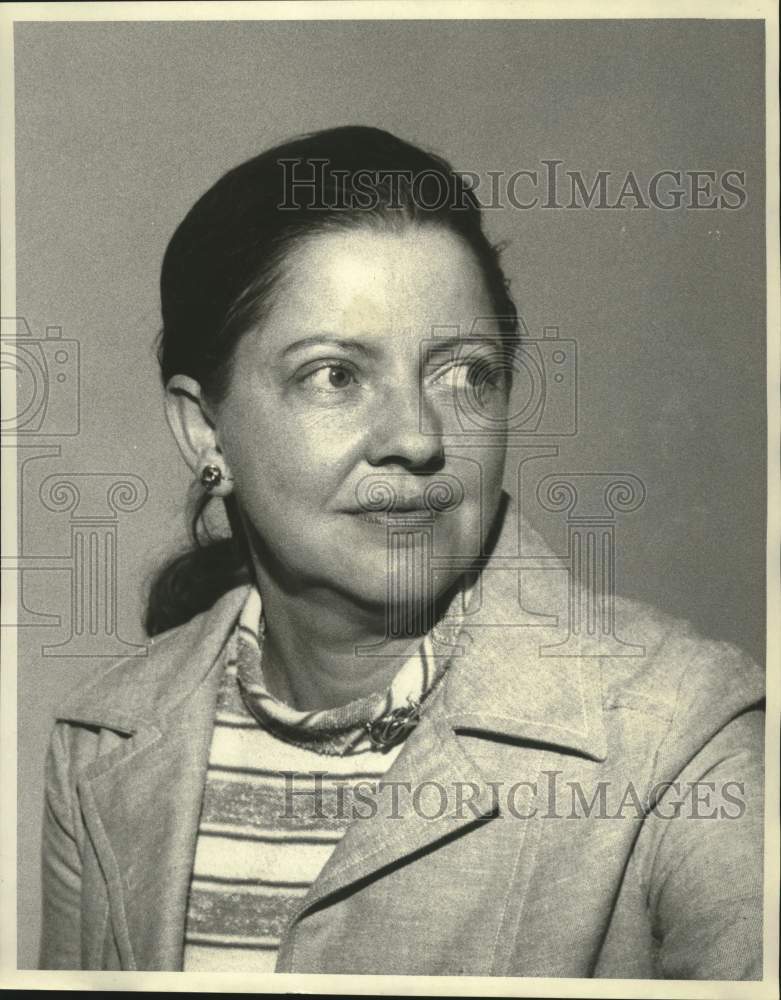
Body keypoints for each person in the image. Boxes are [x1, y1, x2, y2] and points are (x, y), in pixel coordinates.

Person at [38, 126, 765, 978]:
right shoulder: (98, 747)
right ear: (206, 429)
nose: (418, 438)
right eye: (335, 376)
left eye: (464, 375)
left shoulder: (681, 732)